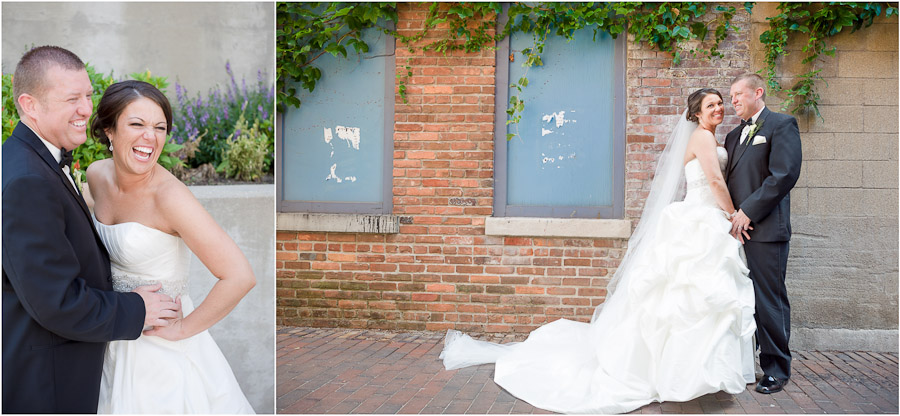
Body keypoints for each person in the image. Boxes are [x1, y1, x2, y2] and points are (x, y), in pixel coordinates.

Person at [440, 89, 757, 413]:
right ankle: (684, 372)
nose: (718, 108)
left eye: (720, 103)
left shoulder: (711, 139)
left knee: (692, 299)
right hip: (701, 219)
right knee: (689, 299)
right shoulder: (704, 140)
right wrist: (733, 217)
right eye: (711, 105)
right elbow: (716, 183)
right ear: (696, 114)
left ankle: (691, 370)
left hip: (703, 219)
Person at [2, 45, 181, 414]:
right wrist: (137, 309)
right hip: (48, 379)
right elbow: (55, 301)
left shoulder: (32, 161)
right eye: (72, 98)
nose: (87, 108)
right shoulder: (26, 180)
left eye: (87, 95)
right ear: (30, 105)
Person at [83, 79, 257, 413]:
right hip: (112, 333)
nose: (150, 137)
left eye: (159, 127)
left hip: (158, 349)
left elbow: (240, 276)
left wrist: (182, 329)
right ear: (109, 130)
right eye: (137, 124)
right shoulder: (96, 176)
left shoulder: (171, 198)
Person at [725, 73, 802, 394]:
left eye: (738, 95)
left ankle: (776, 368)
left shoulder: (781, 125)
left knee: (768, 298)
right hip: (733, 232)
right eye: (730, 97)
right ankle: (745, 361)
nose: (733, 101)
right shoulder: (732, 136)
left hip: (766, 229)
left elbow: (783, 176)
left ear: (758, 92)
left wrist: (748, 211)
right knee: (740, 297)